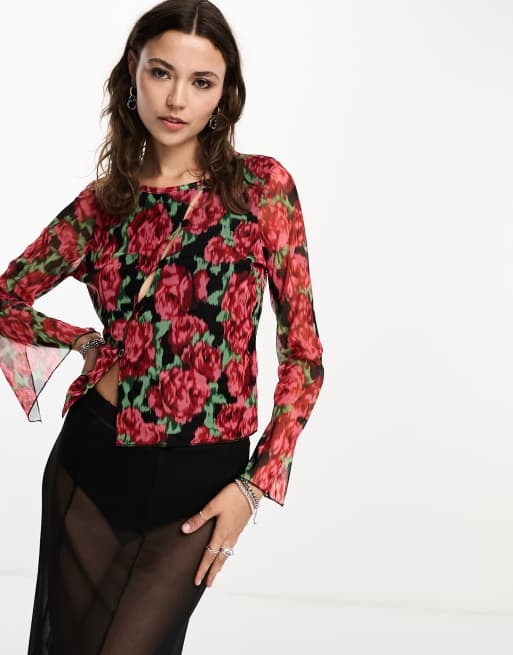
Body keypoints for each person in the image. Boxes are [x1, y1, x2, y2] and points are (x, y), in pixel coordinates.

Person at [0, 0, 324, 652]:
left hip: (200, 484)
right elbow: (7, 297)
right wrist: (84, 343)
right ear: (134, 72)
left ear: (224, 93)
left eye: (201, 82)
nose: (177, 99)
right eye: (161, 73)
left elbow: (303, 355)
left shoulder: (261, 188)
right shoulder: (102, 205)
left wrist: (254, 486)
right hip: (91, 467)